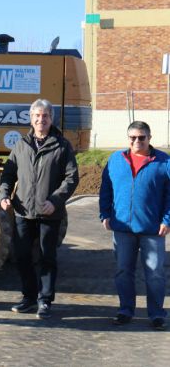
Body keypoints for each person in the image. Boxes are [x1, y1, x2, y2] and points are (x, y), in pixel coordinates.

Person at [0, 98, 79, 319]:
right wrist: (4, 194)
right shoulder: (21, 145)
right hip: (23, 212)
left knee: (46, 258)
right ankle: (28, 298)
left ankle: (45, 300)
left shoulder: (62, 146)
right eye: (37, 115)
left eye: (45, 116)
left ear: (51, 119)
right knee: (22, 256)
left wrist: (55, 201)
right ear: (31, 118)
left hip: (49, 213)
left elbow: (71, 178)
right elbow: (8, 174)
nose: (40, 119)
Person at [99, 121, 169, 330]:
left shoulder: (164, 162)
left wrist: (167, 220)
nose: (137, 141)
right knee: (123, 271)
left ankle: (156, 314)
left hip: (152, 230)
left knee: (155, 273)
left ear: (149, 138)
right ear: (128, 138)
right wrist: (105, 214)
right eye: (133, 137)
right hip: (122, 228)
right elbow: (106, 188)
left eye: (141, 137)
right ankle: (125, 311)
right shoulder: (115, 160)